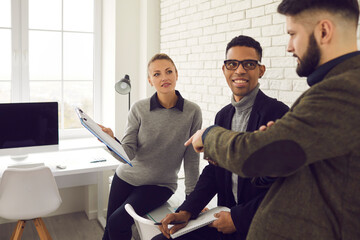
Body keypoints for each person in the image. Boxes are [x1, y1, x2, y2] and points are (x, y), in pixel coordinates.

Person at [185, 0, 360, 239]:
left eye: (292, 34)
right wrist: (188, 208)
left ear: (323, 31)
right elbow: (296, 171)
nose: (289, 47)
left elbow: (255, 155)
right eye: (232, 64)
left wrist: (207, 135)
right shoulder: (336, 88)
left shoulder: (342, 90)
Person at [152, 36, 289, 240]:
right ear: (224, 70)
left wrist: (238, 218)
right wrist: (187, 210)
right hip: (224, 217)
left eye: (249, 64)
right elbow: (214, 171)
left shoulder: (278, 114)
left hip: (257, 225)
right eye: (232, 64)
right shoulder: (223, 116)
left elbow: (284, 187)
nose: (240, 70)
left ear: (261, 70)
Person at [101, 53, 202, 240]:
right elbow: (128, 153)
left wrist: (192, 201)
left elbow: (191, 159)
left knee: (117, 222)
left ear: (176, 74)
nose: (164, 77)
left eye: (168, 71)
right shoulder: (139, 108)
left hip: (160, 185)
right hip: (125, 177)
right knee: (109, 231)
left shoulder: (192, 111)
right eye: (156, 74)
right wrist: (109, 140)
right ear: (150, 80)